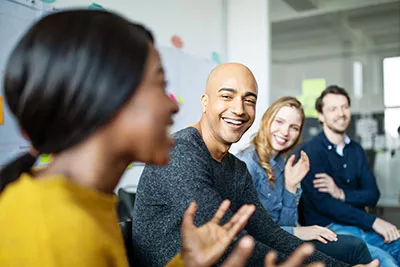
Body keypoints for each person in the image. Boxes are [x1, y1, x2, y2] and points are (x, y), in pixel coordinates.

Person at [0, 10, 258, 267]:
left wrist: (187, 263)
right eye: (159, 84)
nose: (173, 107)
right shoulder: (57, 231)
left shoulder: (85, 203)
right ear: (107, 99)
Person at [132, 63, 379, 267]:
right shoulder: (182, 152)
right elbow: (232, 243)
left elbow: (268, 232)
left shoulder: (236, 169)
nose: (239, 109)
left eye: (249, 100)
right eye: (227, 96)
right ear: (205, 102)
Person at [236, 96, 373, 265]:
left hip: (280, 242)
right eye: (279, 122)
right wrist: (298, 231)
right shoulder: (246, 164)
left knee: (355, 247)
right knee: (355, 248)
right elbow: (247, 230)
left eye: (294, 127)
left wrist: (290, 186)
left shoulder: (281, 164)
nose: (285, 132)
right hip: (259, 249)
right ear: (266, 120)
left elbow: (283, 225)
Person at [299, 85, 400, 267]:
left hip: (363, 227)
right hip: (332, 230)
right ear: (321, 115)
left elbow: (372, 194)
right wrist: (373, 221)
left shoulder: (356, 150)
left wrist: (341, 194)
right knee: (386, 262)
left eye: (344, 107)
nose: (341, 113)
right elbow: (326, 206)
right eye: (333, 109)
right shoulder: (310, 152)